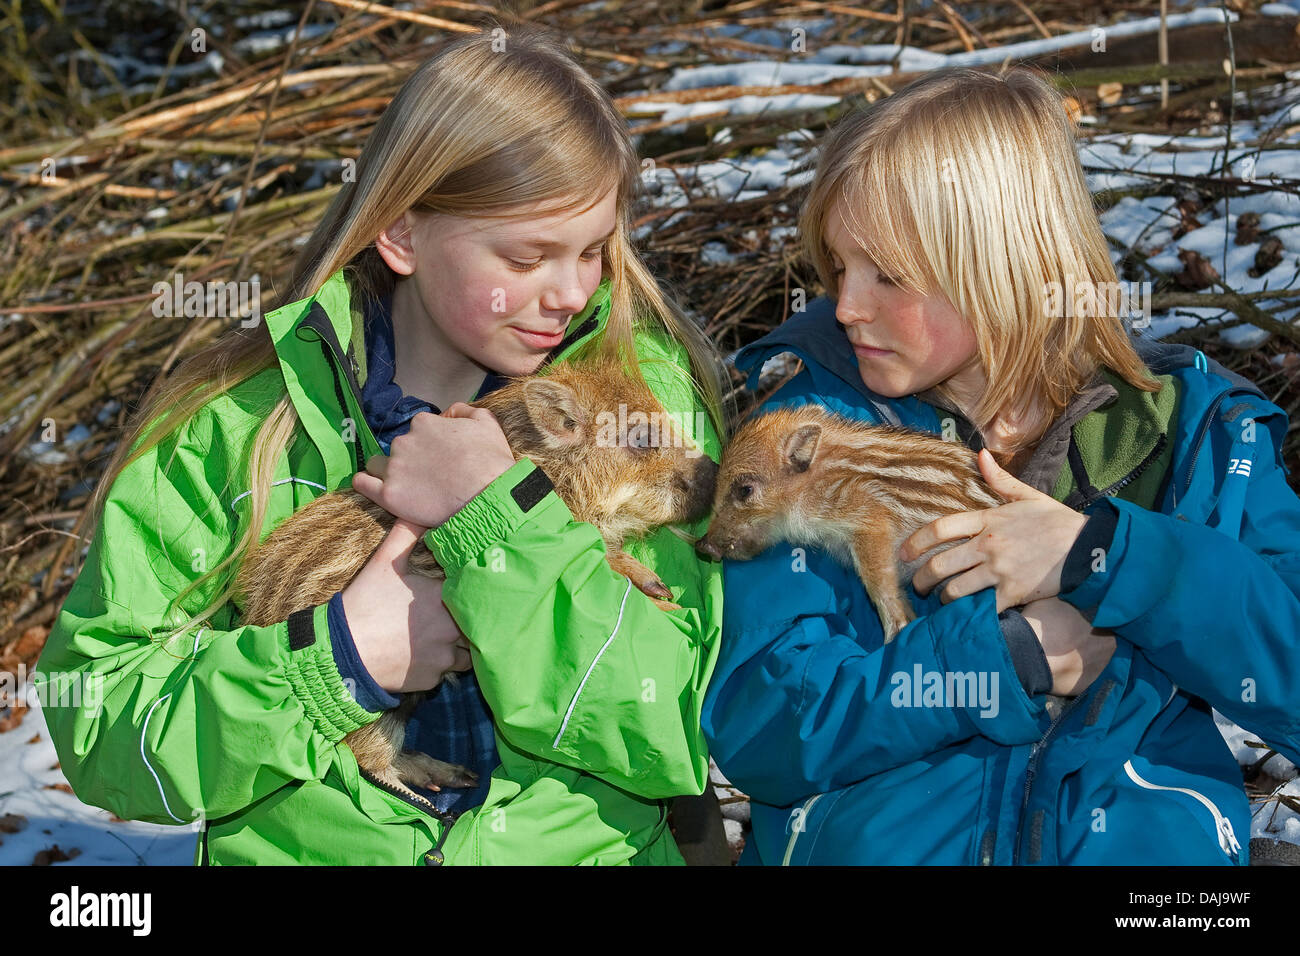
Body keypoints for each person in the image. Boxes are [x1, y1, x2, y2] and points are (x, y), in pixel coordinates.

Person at [37, 24, 730, 866]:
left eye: (594, 251)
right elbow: (104, 727)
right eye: (528, 255)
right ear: (401, 235)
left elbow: (678, 721)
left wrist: (499, 530)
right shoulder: (238, 424)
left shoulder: (639, 403)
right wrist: (341, 661)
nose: (574, 292)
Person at [700, 65, 1300, 865]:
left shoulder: (1191, 427)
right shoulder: (804, 443)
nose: (846, 306)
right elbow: (763, 728)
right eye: (837, 268)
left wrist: (1105, 559)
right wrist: (1001, 658)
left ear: (1007, 264)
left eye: (887, 275)